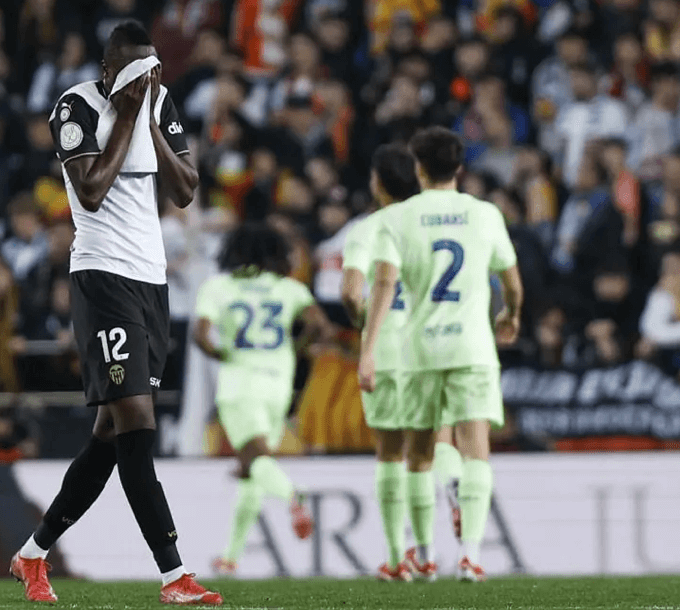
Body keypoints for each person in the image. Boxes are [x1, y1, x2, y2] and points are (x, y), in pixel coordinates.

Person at [9, 21, 218, 606]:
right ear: (108, 72)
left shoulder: (157, 101)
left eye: (153, 73)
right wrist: (126, 115)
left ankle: (33, 554)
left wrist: (148, 116)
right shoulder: (74, 106)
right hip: (103, 278)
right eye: (135, 74)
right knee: (137, 426)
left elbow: (185, 189)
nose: (148, 82)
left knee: (109, 436)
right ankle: (174, 575)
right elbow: (92, 190)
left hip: (152, 284)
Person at [358, 127, 523, 583]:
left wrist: (369, 352)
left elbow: (385, 284)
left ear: (418, 168)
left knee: (419, 455)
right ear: (460, 168)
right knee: (475, 453)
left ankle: (425, 556)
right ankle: (470, 556)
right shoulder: (485, 213)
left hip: (419, 350)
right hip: (472, 346)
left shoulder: (399, 218)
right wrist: (511, 313)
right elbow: (510, 278)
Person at [193, 223, 332, 576]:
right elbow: (318, 325)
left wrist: (222, 355)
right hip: (278, 384)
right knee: (253, 469)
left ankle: (293, 495)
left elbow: (201, 335)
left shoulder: (218, 287)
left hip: (241, 382)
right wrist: (294, 350)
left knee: (254, 460)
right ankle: (230, 557)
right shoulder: (289, 288)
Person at [341, 143, 427, 582]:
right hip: (434, 348)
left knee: (391, 454)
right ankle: (430, 541)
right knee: (433, 447)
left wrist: (362, 325)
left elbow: (351, 292)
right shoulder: (432, 224)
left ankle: (398, 557)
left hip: (389, 349)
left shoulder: (368, 228)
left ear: (378, 182)